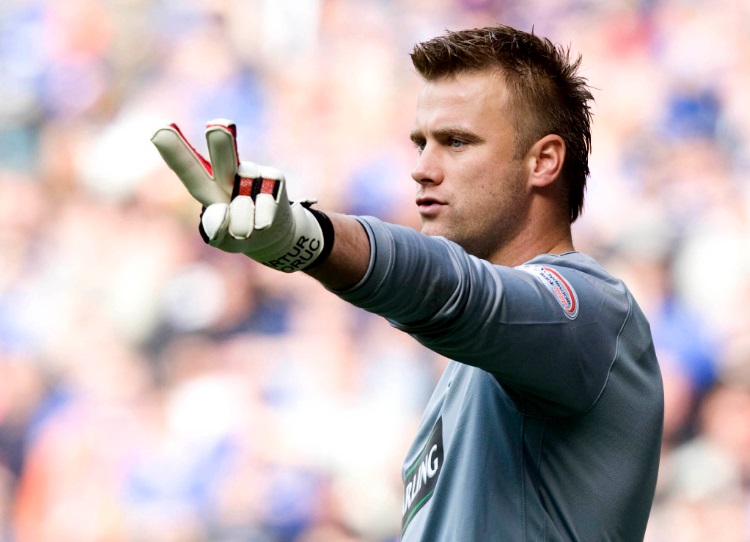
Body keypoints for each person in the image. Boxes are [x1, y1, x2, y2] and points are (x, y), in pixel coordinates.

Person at [152, 25, 663, 542]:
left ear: (543, 161)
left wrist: (305, 237)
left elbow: (452, 287)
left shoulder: (591, 311)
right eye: (421, 143)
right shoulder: (465, 374)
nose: (421, 169)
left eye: (456, 142)